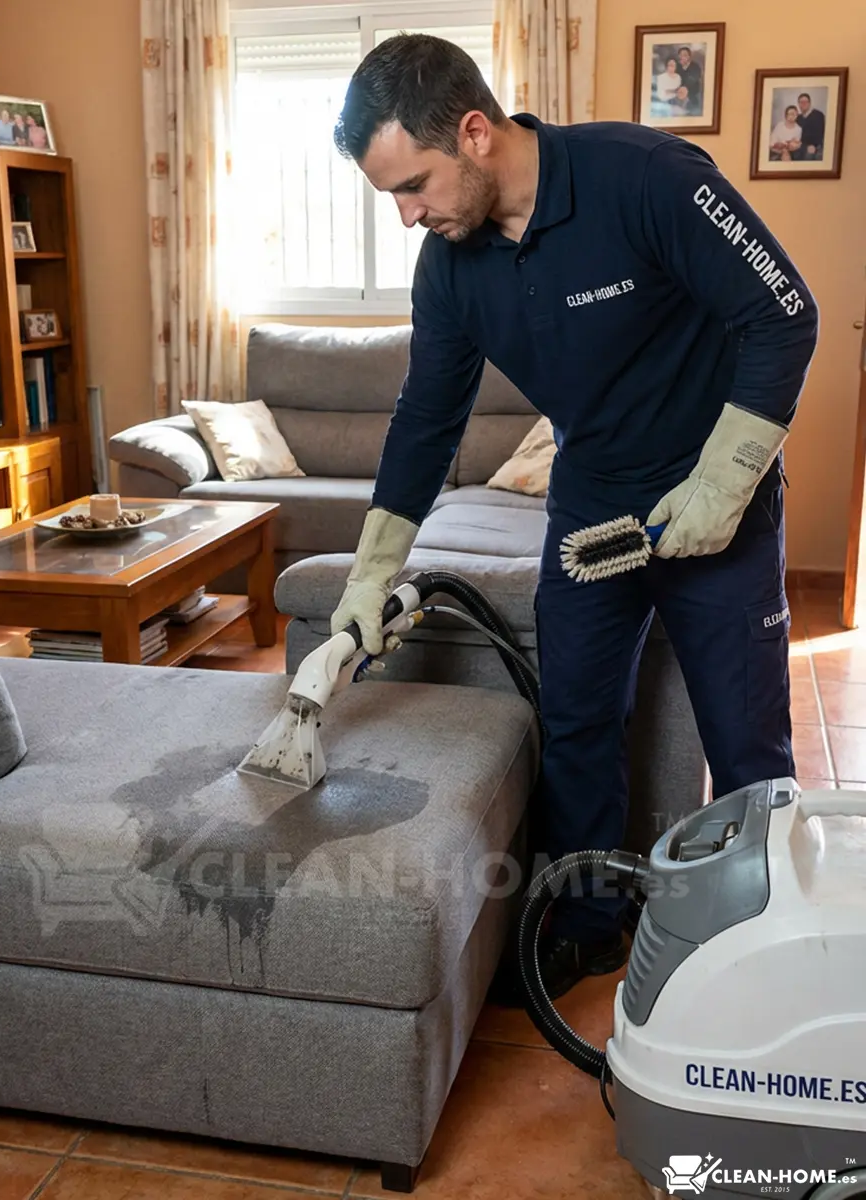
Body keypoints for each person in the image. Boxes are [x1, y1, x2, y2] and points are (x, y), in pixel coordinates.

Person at [330, 35, 818, 998]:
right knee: (578, 721)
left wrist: (723, 487)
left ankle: (767, 936)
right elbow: (427, 418)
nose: (407, 216)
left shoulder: (646, 177)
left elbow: (785, 313)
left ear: (475, 132)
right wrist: (370, 575)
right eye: (392, 195)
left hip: (717, 502)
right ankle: (591, 923)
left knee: (746, 739)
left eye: (414, 185)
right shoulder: (451, 265)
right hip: (593, 507)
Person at [795, 93, 825, 160]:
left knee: (808, 156)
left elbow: (819, 134)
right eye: (801, 102)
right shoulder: (798, 118)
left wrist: (812, 146)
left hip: (815, 145)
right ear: (798, 104)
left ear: (809, 103)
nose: (803, 104)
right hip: (802, 146)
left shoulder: (818, 115)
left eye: (805, 102)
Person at [676, 46, 703, 112]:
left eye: (685, 55)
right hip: (679, 95)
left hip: (693, 94)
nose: (683, 57)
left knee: (693, 110)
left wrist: (685, 88)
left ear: (689, 56)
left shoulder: (695, 66)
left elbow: (694, 78)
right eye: (681, 55)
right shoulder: (677, 66)